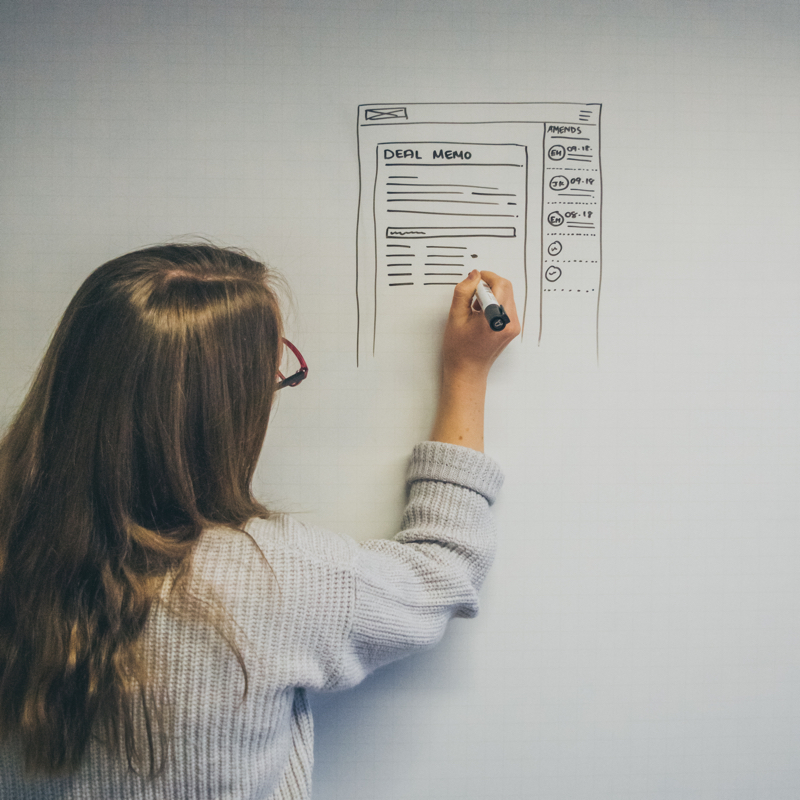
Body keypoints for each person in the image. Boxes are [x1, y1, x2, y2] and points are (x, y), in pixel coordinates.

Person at [0, 243, 519, 799]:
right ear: (224, 413)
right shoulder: (273, 579)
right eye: (273, 373)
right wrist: (466, 372)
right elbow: (442, 572)